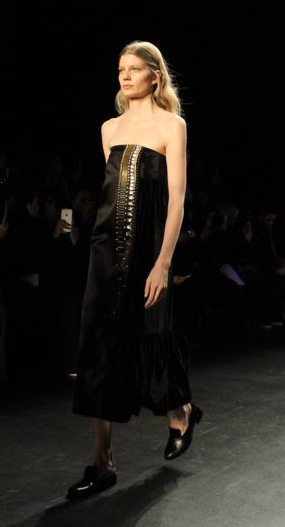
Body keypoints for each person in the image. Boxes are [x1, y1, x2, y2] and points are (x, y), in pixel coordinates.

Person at [68, 41, 200, 500]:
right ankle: (102, 462)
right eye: (120, 69)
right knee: (98, 346)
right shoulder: (109, 128)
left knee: (153, 337)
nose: (125, 76)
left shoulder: (172, 126)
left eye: (134, 69)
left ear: (154, 75)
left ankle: (181, 411)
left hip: (148, 251)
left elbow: (176, 200)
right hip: (104, 252)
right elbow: (109, 197)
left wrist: (163, 262)